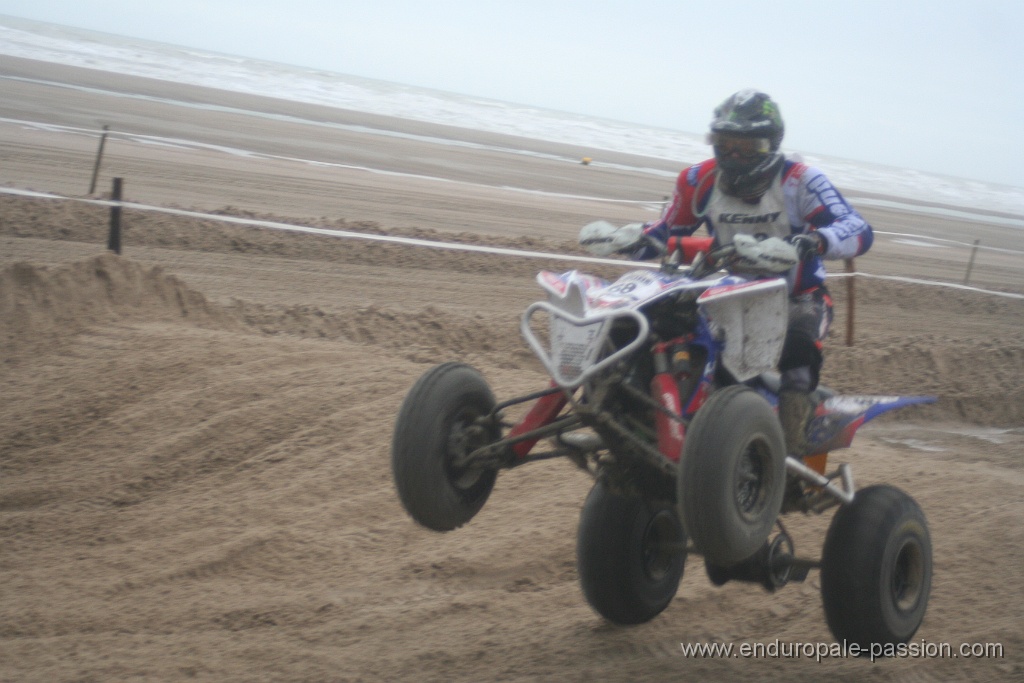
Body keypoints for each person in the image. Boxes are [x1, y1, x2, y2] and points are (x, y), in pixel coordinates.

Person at [615, 89, 873, 457]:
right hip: (726, 292)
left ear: (772, 144)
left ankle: (787, 453)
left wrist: (813, 242)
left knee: (798, 356)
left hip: (797, 298)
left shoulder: (801, 181)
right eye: (726, 143)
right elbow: (668, 232)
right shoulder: (697, 179)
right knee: (656, 327)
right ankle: (636, 418)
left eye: (747, 146)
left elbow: (858, 228)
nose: (735, 154)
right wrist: (628, 238)